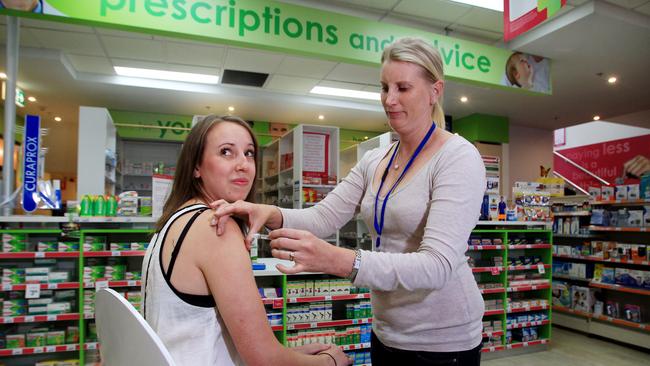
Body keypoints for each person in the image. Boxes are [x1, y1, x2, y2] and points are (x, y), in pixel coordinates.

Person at [211, 37, 486, 366]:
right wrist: (268, 211)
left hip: (442, 341)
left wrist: (338, 260)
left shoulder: (457, 158)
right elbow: (324, 217)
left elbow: (437, 266)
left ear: (434, 91)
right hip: (386, 330)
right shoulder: (377, 159)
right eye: (384, 87)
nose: (389, 100)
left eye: (403, 88)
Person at [141, 115, 350, 366]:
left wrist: (291, 355)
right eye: (226, 152)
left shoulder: (174, 220)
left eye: (249, 153)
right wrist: (331, 361)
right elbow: (263, 360)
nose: (243, 164)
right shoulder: (216, 225)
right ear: (196, 166)